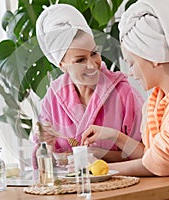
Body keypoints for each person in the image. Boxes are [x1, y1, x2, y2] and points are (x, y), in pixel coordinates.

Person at [81, 0, 169, 199]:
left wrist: (99, 172)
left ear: (153, 56)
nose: (130, 73)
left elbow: (158, 165)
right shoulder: (159, 100)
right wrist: (115, 136)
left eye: (132, 63)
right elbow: (154, 156)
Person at [32, 4, 144, 168]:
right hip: (71, 191)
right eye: (80, 60)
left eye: (94, 53)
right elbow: (41, 162)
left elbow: (148, 155)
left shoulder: (124, 93)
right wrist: (47, 145)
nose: (92, 65)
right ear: (62, 65)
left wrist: (99, 155)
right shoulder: (53, 98)